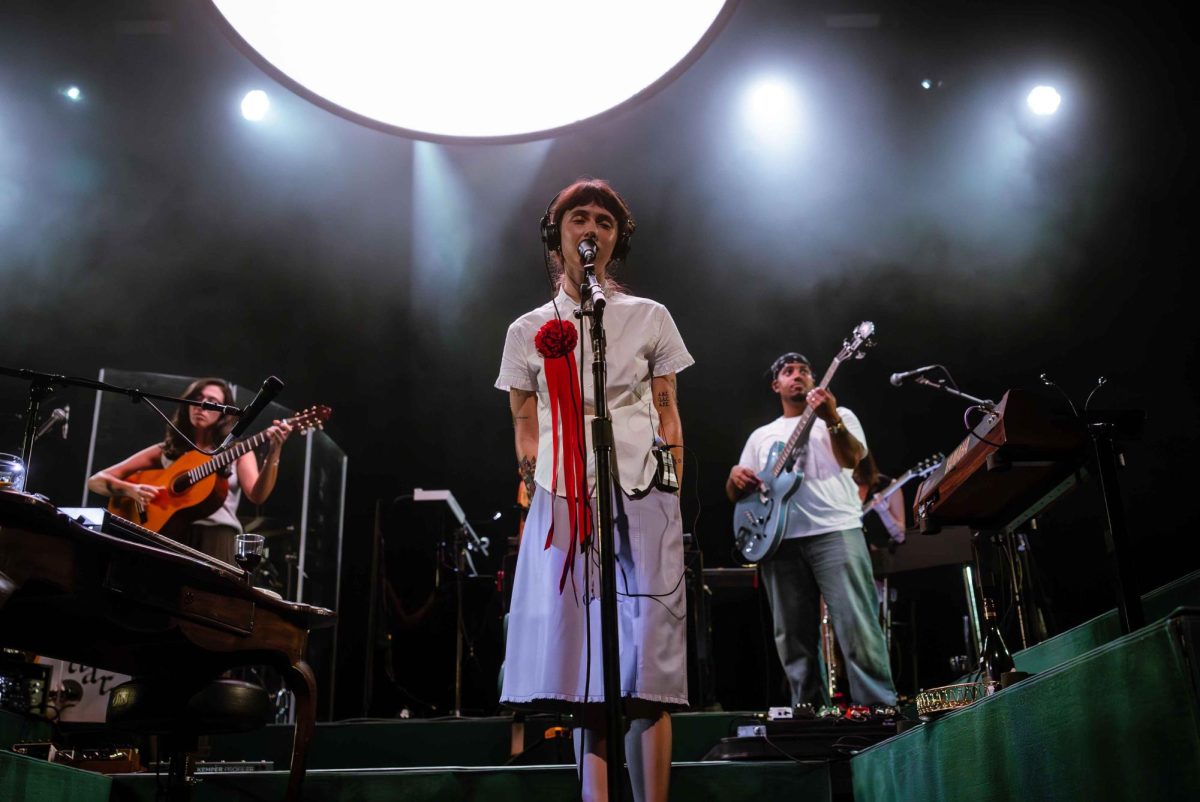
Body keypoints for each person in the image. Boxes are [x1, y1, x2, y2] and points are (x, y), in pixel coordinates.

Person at [496, 178, 692, 802]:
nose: (592, 229)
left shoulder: (649, 317)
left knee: (649, 657)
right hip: (563, 496)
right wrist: (534, 490)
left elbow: (668, 414)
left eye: (605, 222)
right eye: (578, 218)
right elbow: (525, 424)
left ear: (616, 240)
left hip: (642, 489)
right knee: (586, 661)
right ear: (556, 235)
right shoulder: (528, 329)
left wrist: (673, 493)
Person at [726, 352, 896, 708]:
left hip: (836, 529)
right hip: (779, 540)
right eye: (788, 372)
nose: (797, 376)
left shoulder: (841, 415)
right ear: (777, 385)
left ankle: (879, 709)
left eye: (804, 371)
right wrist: (734, 478)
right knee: (792, 638)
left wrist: (830, 416)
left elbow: (854, 459)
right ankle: (809, 714)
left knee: (857, 626)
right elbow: (738, 493)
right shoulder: (763, 435)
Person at [87, 377, 291, 564]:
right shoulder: (166, 450)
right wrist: (129, 490)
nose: (201, 405)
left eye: (212, 401)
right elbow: (96, 480)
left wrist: (274, 453)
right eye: (196, 398)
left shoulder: (237, 451)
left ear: (225, 412)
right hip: (166, 537)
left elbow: (257, 495)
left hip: (216, 539)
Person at [854, 453, 908, 548]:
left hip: (883, 556)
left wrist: (884, 512)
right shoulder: (838, 489)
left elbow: (900, 537)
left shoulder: (888, 486)